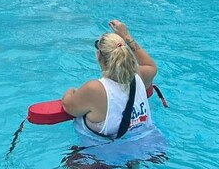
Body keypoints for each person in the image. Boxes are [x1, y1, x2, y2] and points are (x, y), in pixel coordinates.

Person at [61, 19, 165, 159]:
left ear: (99, 56)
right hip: (150, 146)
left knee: (71, 162)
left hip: (105, 157)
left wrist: (71, 92)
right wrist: (127, 36)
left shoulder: (94, 89)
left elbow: (68, 106)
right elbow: (150, 65)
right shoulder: (140, 76)